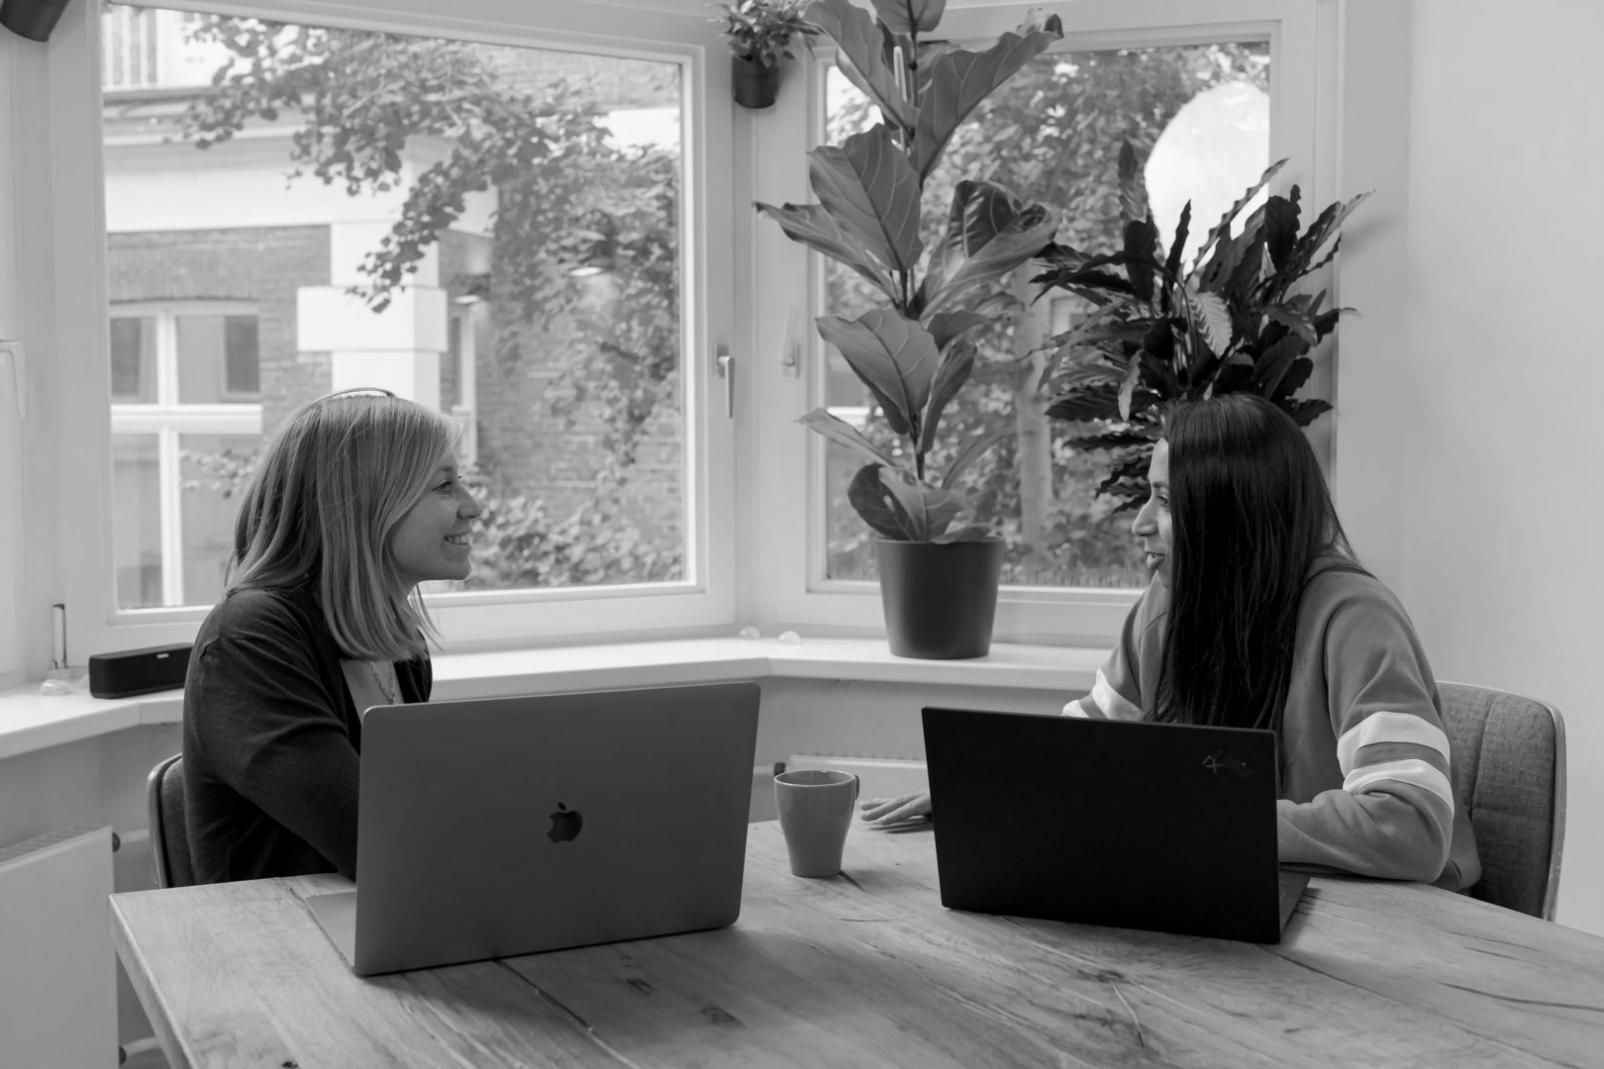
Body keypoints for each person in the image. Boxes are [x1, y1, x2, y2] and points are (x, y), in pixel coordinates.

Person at [862, 393, 1480, 891]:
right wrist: (992, 790)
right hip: (1240, 895)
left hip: (1394, 931)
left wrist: (1196, 816)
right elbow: (1081, 750)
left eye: (1163, 501)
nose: (1138, 524)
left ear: (1229, 516)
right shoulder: (1165, 607)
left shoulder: (1355, 619)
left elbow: (1411, 827)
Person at [182, 388, 482, 883]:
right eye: (444, 485)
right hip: (281, 929)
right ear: (365, 503)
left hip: (372, 912)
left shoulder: (396, 638)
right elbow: (378, 840)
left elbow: (413, 826)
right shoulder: (248, 638)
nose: (473, 508)